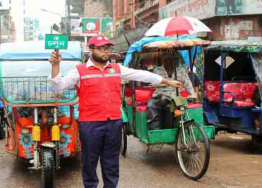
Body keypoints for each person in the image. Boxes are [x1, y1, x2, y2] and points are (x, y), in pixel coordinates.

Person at [49, 35, 182, 188]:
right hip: (90, 124)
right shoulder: (79, 71)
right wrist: (55, 66)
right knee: (89, 162)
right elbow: (58, 86)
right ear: (91, 49)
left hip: (113, 122)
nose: (106, 52)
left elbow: (140, 74)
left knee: (111, 163)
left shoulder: (116, 69)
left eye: (108, 48)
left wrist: (167, 81)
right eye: (101, 48)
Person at [147, 56, 196, 130]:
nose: (173, 62)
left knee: (173, 108)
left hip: (175, 97)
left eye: (175, 60)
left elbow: (187, 83)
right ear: (165, 60)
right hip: (159, 96)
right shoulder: (157, 70)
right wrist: (169, 83)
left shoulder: (181, 70)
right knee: (151, 106)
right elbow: (154, 82)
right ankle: (155, 131)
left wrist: (192, 94)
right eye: (170, 60)